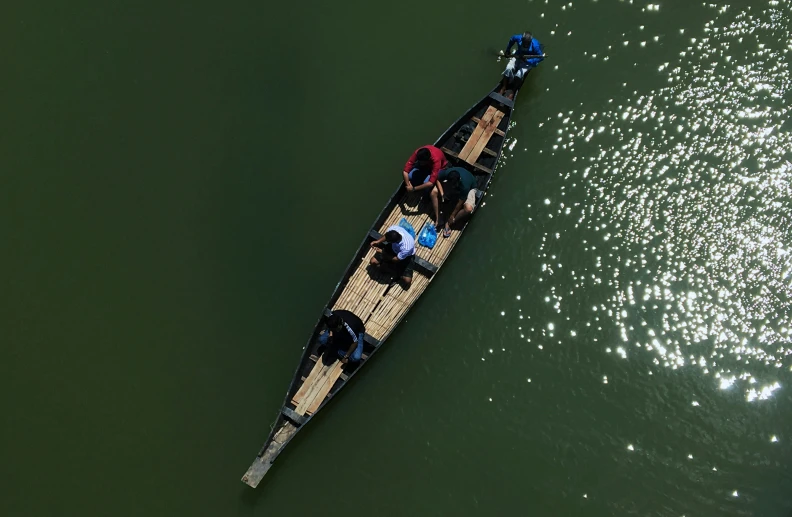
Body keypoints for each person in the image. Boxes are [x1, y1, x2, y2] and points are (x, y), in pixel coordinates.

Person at [498, 31, 544, 96]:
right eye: (524, 43)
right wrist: (507, 50)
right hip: (518, 56)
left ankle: (512, 92)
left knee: (519, 74)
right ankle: (504, 87)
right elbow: (512, 39)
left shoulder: (535, 45)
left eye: (527, 43)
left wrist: (528, 61)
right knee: (508, 68)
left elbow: (541, 58)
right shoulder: (518, 38)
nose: (525, 44)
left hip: (528, 60)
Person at [438, 167, 479, 237]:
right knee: (440, 193)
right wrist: (442, 194)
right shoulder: (447, 173)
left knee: (468, 208)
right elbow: (438, 179)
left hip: (470, 188)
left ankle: (449, 222)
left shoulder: (465, 186)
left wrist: (452, 215)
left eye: (455, 184)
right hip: (456, 184)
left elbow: (460, 202)